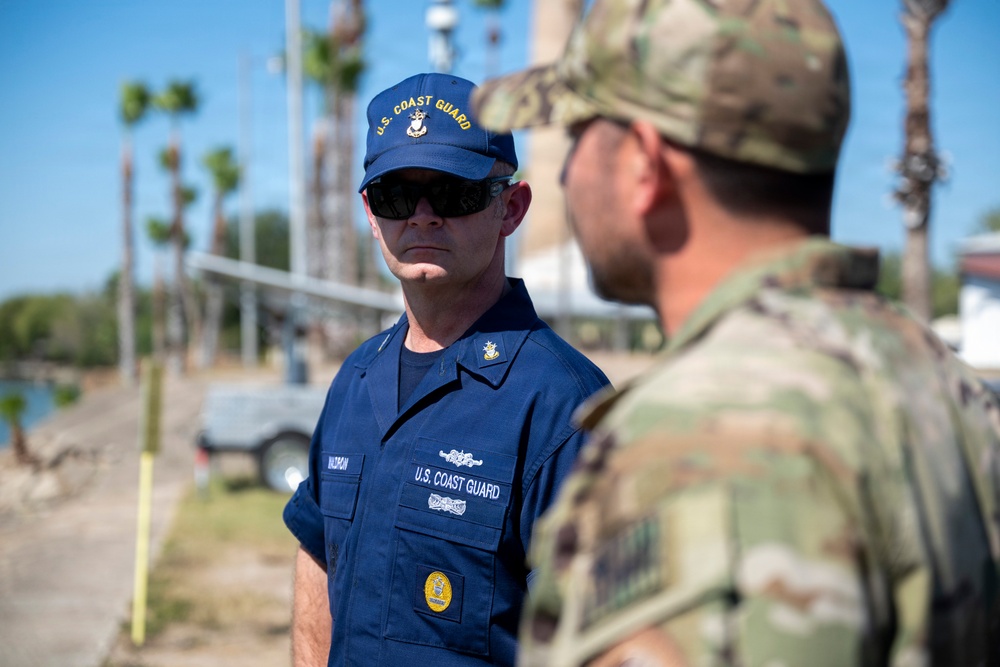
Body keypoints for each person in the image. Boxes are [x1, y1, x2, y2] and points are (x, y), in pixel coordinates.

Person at [471, 0, 1000, 665]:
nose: (566, 172)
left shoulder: (695, 438)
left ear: (645, 164)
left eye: (576, 134)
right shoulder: (945, 384)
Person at [282, 72, 611, 667]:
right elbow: (317, 554)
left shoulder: (565, 406)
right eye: (396, 196)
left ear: (510, 207)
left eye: (453, 193)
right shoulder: (355, 383)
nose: (423, 217)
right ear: (370, 211)